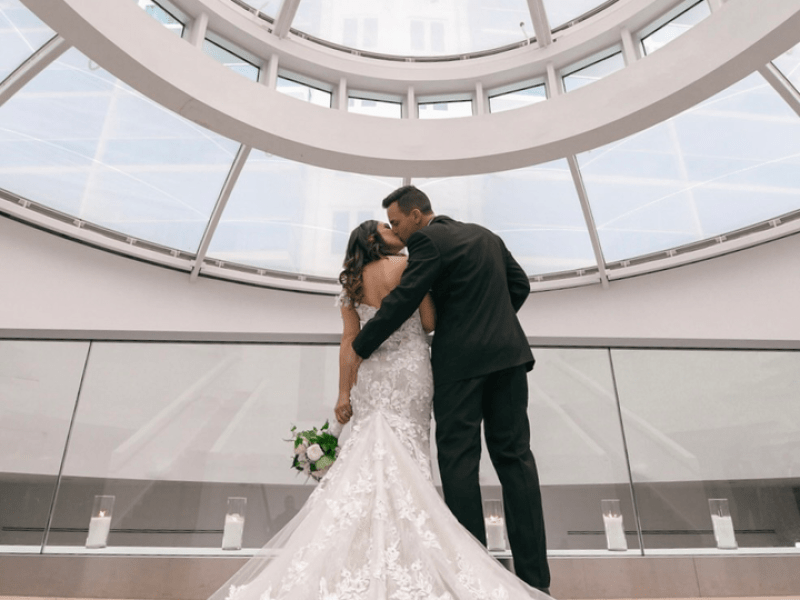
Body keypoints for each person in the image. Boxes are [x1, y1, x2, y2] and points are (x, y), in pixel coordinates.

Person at [205, 219, 551, 600]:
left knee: (373, 456)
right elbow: (430, 321)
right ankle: (466, 563)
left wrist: (342, 394)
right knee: (419, 459)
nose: (395, 230)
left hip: (369, 379)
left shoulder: (350, 284)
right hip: (411, 376)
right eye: (387, 226)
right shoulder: (407, 266)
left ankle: (367, 554)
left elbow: (349, 342)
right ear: (375, 239)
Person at [351, 186, 551, 594]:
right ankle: (536, 584)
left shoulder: (427, 239)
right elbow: (520, 285)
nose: (396, 230)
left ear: (417, 214)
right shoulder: (486, 235)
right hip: (509, 359)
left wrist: (361, 345)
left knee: (460, 462)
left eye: (396, 222)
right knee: (516, 462)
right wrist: (490, 321)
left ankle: (475, 579)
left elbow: (407, 296)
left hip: (460, 367)